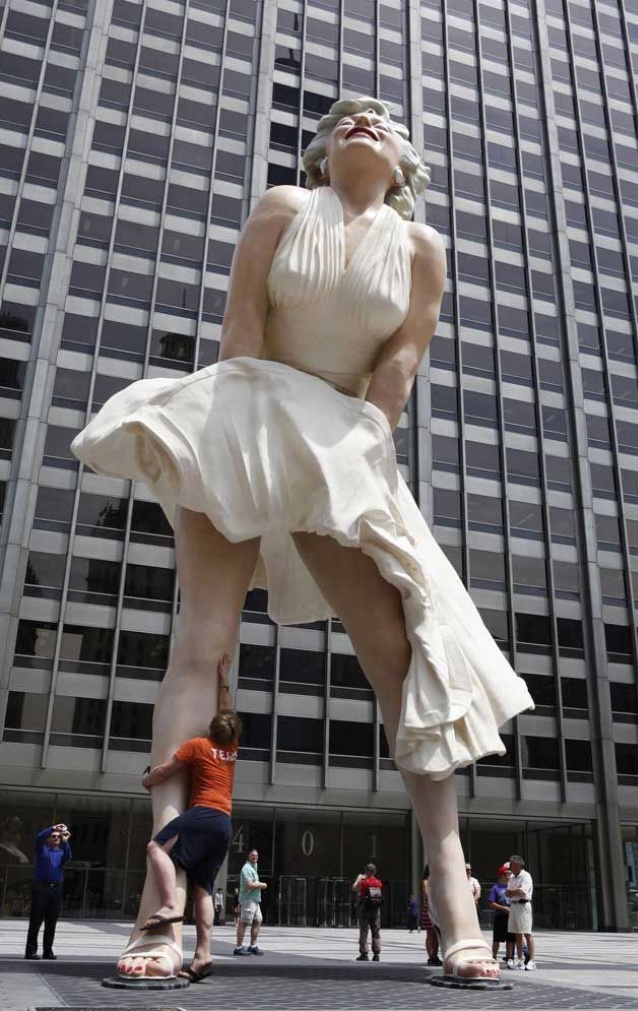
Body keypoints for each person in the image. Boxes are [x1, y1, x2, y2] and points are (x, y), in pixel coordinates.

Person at [72, 95, 534, 985]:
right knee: (202, 644)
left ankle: (454, 899)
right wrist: (233, 436)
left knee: (400, 655)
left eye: (382, 119)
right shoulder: (285, 206)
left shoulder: (420, 249)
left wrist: (367, 449)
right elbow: (242, 326)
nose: (365, 120)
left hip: (341, 443)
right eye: (349, 116)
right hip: (247, 412)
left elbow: (399, 363)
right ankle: (162, 908)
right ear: (324, 149)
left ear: (403, 160)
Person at [118, 656, 240, 982]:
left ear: (210, 728)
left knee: (156, 848)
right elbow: (227, 711)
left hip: (202, 814)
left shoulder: (197, 746)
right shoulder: (231, 749)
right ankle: (203, 954)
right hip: (224, 823)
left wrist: (147, 781)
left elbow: (165, 772)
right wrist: (223, 679)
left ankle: (171, 904)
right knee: (203, 888)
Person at [25, 823, 72, 960]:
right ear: (48, 839)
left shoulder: (62, 852)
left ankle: (48, 951)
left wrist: (66, 841)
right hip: (41, 888)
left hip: (56, 889)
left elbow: (68, 856)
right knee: (36, 921)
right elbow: (40, 836)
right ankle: (30, 951)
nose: (56, 838)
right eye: (53, 836)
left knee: (51, 922)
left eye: (58, 837)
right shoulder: (42, 850)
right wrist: (54, 828)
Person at [234, 849, 267, 955]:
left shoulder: (253, 867)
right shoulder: (247, 868)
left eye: (256, 856)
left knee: (258, 920)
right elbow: (249, 885)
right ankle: (238, 947)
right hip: (248, 899)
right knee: (244, 922)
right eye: (253, 855)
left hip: (255, 900)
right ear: (248, 856)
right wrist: (262, 884)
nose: (255, 857)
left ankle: (253, 946)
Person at [506, 855, 536, 971]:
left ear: (518, 865)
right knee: (517, 933)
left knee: (527, 932)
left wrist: (514, 891)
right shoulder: (512, 877)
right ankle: (520, 959)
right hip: (514, 906)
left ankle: (532, 960)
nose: (510, 867)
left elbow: (523, 891)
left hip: (523, 905)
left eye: (512, 864)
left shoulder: (525, 876)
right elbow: (507, 892)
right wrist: (515, 890)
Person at [352, 863, 383, 961]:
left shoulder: (363, 882)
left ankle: (364, 953)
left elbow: (354, 888)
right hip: (375, 909)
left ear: (366, 871)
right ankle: (376, 954)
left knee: (364, 930)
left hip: (365, 908)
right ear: (375, 872)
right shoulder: (378, 882)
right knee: (376, 931)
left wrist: (359, 878)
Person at [487, 865, 514, 962]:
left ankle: (509, 957)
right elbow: (491, 903)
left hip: (511, 916)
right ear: (502, 876)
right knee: (497, 938)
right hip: (500, 916)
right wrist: (503, 908)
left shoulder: (513, 887)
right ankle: (494, 956)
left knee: (510, 938)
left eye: (511, 875)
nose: (510, 877)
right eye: (508, 875)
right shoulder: (496, 888)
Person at [420, 865, 442, 966]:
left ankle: (435, 956)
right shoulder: (426, 881)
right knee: (430, 933)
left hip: (436, 909)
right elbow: (427, 895)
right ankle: (431, 956)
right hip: (429, 909)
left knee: (436, 934)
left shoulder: (437, 881)